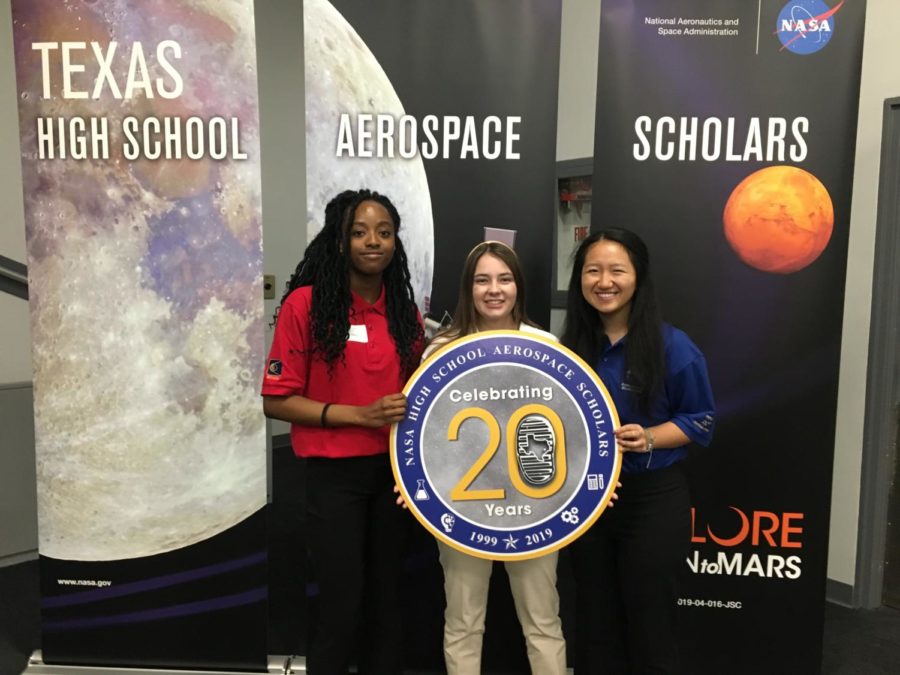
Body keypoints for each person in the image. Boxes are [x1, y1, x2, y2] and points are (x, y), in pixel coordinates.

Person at [262, 188, 424, 674]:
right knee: (340, 603)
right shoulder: (305, 306)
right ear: (338, 241)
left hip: (395, 477)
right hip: (334, 479)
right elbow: (276, 399)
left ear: (396, 241)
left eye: (384, 232)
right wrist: (359, 416)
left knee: (387, 601)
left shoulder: (404, 311)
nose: (372, 242)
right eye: (359, 232)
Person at [561, 228, 715, 675]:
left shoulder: (672, 346)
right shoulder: (569, 347)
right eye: (593, 270)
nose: (603, 281)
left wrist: (648, 437)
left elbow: (701, 419)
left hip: (651, 498)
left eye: (616, 270)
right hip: (587, 501)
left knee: (651, 619)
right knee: (593, 617)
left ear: (638, 278)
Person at [423, 240, 568, 675]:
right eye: (482, 279)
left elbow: (569, 430)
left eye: (504, 279)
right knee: (464, 622)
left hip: (533, 507)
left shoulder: (545, 344)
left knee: (543, 621)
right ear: (468, 288)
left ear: (518, 286)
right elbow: (426, 436)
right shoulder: (441, 349)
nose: (494, 289)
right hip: (463, 508)